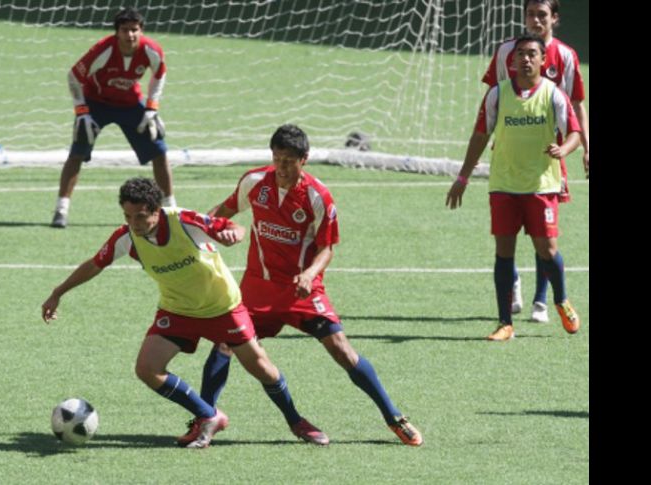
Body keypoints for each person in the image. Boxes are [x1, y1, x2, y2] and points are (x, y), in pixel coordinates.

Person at [41, 177, 325, 448]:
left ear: (156, 210)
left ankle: (296, 421)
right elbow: (94, 264)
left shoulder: (184, 221)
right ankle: (209, 415)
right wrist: (58, 292)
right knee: (147, 369)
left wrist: (231, 235)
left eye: (140, 216)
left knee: (262, 369)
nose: (133, 223)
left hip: (222, 307)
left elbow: (233, 227)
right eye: (128, 216)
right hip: (177, 310)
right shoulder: (126, 237)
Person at [196, 124, 423, 447]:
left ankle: (393, 416)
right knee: (224, 344)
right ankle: (203, 418)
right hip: (258, 288)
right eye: (277, 159)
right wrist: (202, 231)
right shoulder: (254, 181)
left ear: (305, 159)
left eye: (289, 161)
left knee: (342, 350)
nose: (282, 168)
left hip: (302, 290)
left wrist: (309, 274)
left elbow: (327, 247)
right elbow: (225, 209)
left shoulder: (318, 197)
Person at [446, 33, 582, 342]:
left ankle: (560, 300)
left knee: (547, 250)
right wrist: (463, 177)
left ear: (543, 60)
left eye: (532, 53)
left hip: (541, 186)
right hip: (504, 185)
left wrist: (567, 150)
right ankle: (505, 323)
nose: (526, 58)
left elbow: (573, 131)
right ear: (512, 60)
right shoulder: (498, 94)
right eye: (520, 53)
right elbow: (480, 135)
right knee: (503, 252)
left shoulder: (553, 94)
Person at [482, 0, 589, 322]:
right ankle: (512, 284)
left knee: (544, 237)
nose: (535, 20)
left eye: (542, 15)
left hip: (549, 158)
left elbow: (576, 103)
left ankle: (542, 301)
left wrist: (585, 145)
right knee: (507, 231)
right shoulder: (506, 52)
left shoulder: (566, 56)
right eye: (530, 14)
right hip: (510, 158)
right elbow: (496, 95)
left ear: (554, 18)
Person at [51, 7, 175, 228]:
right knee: (78, 152)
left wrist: (152, 107)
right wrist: (81, 111)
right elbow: (74, 76)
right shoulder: (103, 50)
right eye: (125, 30)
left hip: (130, 104)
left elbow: (160, 74)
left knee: (159, 150)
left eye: (134, 30)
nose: (130, 35)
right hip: (96, 104)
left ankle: (170, 208)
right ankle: (61, 209)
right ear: (117, 32)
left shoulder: (152, 50)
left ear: (141, 30)